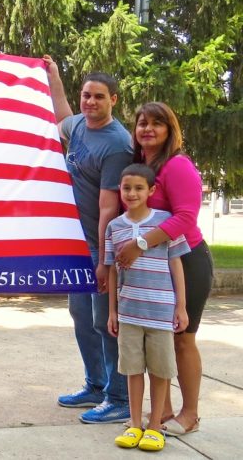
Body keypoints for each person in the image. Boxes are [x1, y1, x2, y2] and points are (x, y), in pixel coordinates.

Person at [115, 102, 214, 436]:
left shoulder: (177, 165)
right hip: (151, 267)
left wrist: (140, 244)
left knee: (183, 340)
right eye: (142, 123)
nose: (148, 129)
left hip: (186, 260)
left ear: (170, 129)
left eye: (157, 123)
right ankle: (164, 412)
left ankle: (190, 413)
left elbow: (186, 217)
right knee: (160, 341)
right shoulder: (141, 167)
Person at [43, 56, 133, 423]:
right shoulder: (79, 124)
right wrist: (55, 75)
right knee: (81, 316)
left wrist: (103, 261)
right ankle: (95, 385)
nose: (90, 102)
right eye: (86, 96)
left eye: (98, 97)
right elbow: (61, 114)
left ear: (113, 99)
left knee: (106, 322)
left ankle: (119, 397)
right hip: (76, 242)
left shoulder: (117, 144)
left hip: (100, 244)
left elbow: (108, 208)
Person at [105, 163, 190, 451]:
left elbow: (176, 263)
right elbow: (114, 269)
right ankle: (134, 423)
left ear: (151, 190)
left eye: (139, 187)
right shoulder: (114, 226)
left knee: (160, 370)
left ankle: (155, 427)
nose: (131, 193)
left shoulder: (164, 222)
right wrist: (113, 311)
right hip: (129, 312)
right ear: (120, 189)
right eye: (126, 187)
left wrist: (181, 307)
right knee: (132, 370)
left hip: (161, 312)